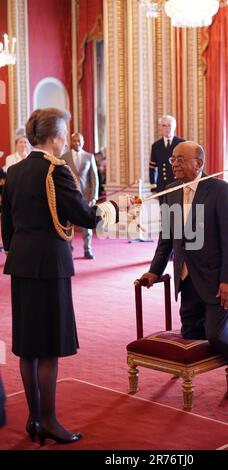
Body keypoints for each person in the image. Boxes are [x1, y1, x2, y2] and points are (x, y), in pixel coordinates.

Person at [1, 108, 127, 444]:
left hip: (21, 266)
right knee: (48, 348)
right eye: (65, 130)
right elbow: (85, 215)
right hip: (50, 268)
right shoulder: (55, 171)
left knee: (28, 347)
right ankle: (50, 421)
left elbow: (7, 229)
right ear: (56, 136)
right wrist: (116, 207)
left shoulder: (13, 172)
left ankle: (33, 419)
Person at [140, 141, 228, 400]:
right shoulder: (171, 191)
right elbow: (167, 237)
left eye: (181, 159)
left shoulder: (220, 191)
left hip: (218, 277)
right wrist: (154, 271)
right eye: (173, 159)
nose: (175, 164)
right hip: (186, 276)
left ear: (199, 163)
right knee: (193, 333)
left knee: (215, 334)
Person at [62, 132, 99, 259]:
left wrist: (94, 196)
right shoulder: (64, 157)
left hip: (86, 196)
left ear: (83, 142)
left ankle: (87, 249)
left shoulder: (89, 157)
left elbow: (94, 178)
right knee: (67, 224)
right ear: (71, 142)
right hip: (69, 196)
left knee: (86, 225)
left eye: (79, 141)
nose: (77, 143)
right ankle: (67, 249)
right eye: (74, 141)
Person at [149, 115, 185, 204]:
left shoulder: (182, 143)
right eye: (164, 125)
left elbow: (185, 166)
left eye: (169, 125)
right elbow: (152, 168)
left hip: (178, 184)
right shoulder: (156, 145)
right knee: (164, 214)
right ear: (161, 127)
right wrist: (153, 188)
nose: (167, 128)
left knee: (178, 213)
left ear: (174, 127)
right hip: (162, 186)